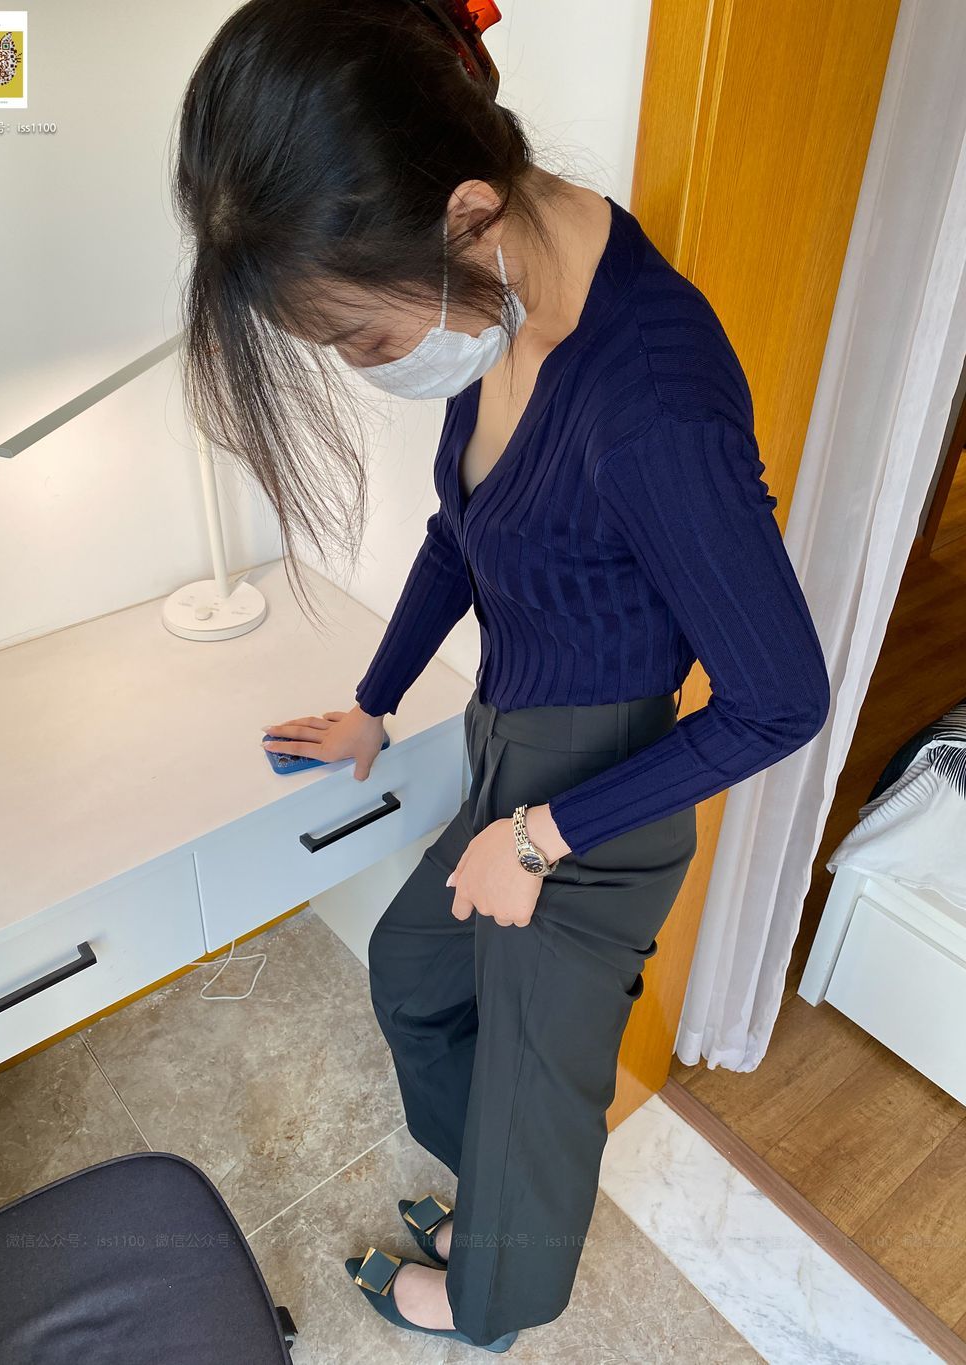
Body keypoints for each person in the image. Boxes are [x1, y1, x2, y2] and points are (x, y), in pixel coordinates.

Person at [172, 0, 831, 1352]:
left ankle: (489, 1300)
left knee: (537, 1088)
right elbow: (461, 531)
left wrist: (537, 838)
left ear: (466, 211)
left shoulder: (649, 402)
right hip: (513, 748)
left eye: (361, 340)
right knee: (417, 975)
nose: (367, 369)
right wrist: (375, 702)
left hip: (602, 796)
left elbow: (782, 701)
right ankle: (501, 1194)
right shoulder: (510, 288)